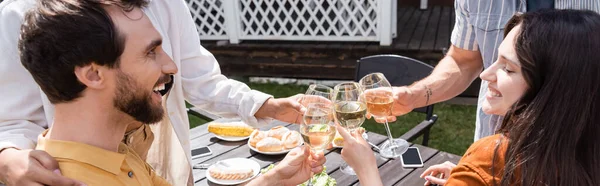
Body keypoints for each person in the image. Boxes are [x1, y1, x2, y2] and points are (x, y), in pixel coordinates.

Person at [15, 0, 325, 185]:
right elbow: (10, 119)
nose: (173, 66)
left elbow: (200, 77)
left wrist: (271, 180)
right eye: (151, 52)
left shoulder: (119, 157)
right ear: (93, 74)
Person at [342, 9, 600, 186]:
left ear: (554, 86)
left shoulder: (491, 157)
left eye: (508, 68)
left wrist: (366, 169)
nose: (485, 74)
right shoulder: (583, 153)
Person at [383, 0, 599, 141]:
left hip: (579, 144)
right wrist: (414, 97)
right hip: (495, 141)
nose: (485, 76)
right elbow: (464, 61)